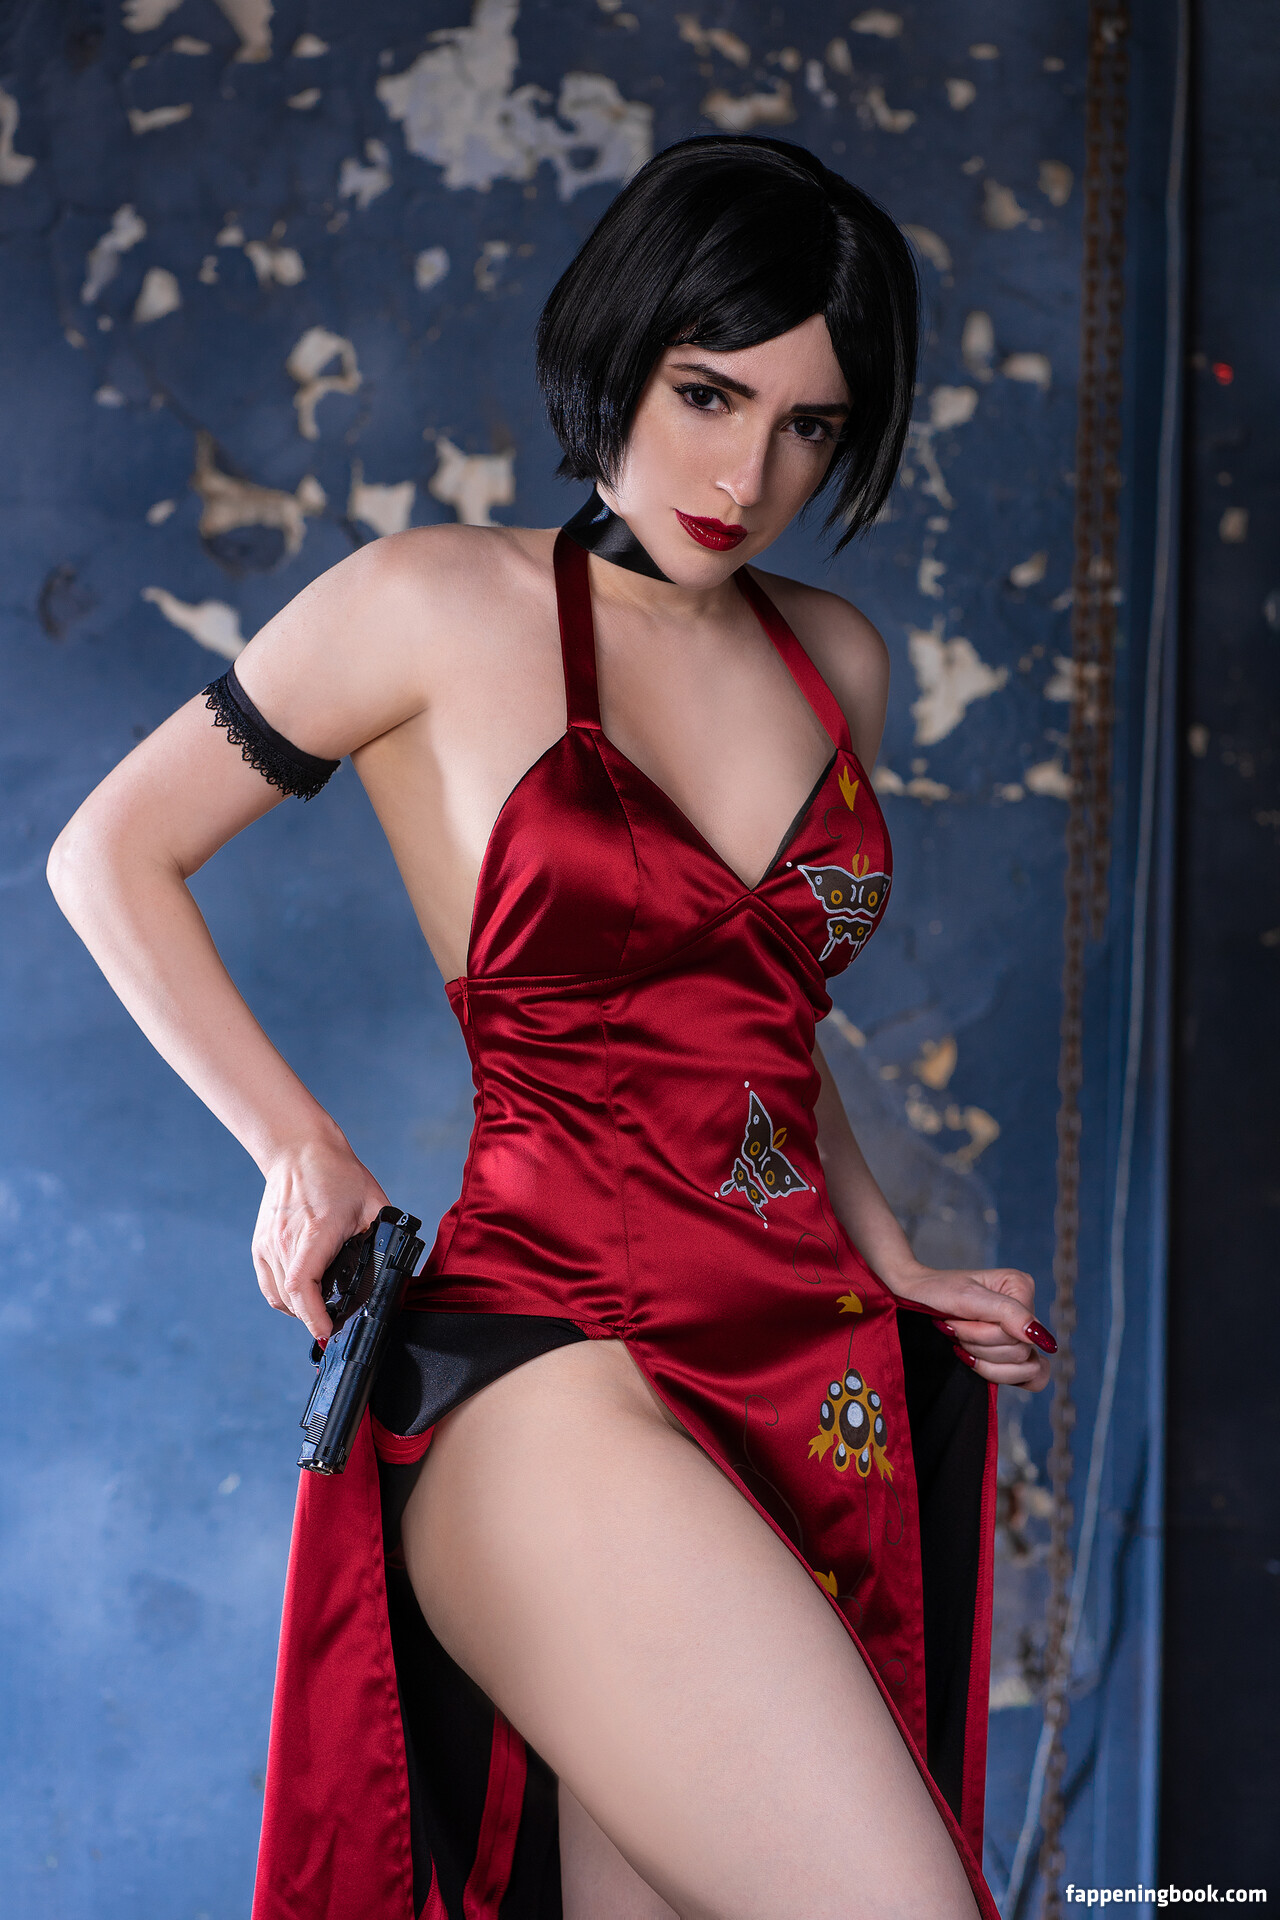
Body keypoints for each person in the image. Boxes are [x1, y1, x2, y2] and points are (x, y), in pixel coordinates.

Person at [48, 135, 1054, 1920]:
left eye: (810, 427)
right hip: (552, 1367)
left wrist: (891, 1256)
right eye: (708, 394)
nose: (745, 475)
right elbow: (106, 852)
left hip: (798, 1369)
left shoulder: (839, 662)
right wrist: (298, 1145)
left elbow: (762, 1021)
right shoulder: (435, 602)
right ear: (623, 346)